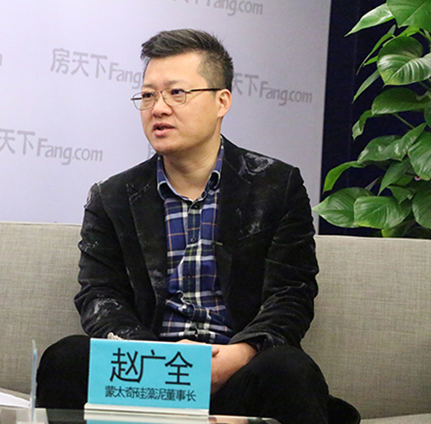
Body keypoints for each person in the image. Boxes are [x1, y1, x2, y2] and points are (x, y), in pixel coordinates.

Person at [36, 29, 360, 424]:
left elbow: (291, 294)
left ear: (222, 101)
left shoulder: (276, 185)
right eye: (148, 96)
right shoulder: (113, 196)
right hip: (145, 374)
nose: (158, 108)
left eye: (176, 93)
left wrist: (239, 354)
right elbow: (99, 296)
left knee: (289, 370)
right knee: (66, 358)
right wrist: (160, 359)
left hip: (237, 372)